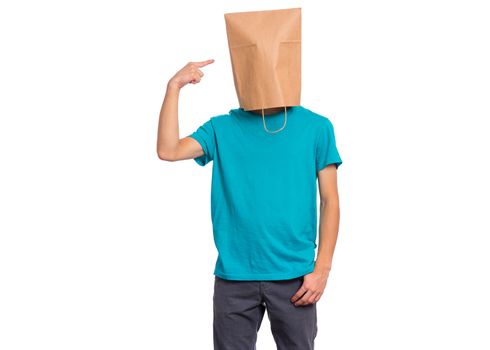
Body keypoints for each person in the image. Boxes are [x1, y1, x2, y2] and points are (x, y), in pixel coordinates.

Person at [157, 58, 343, 350]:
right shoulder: (221, 128)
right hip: (234, 276)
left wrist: (322, 269)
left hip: (296, 277)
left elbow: (330, 199)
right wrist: (173, 87)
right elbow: (168, 150)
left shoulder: (317, 127)